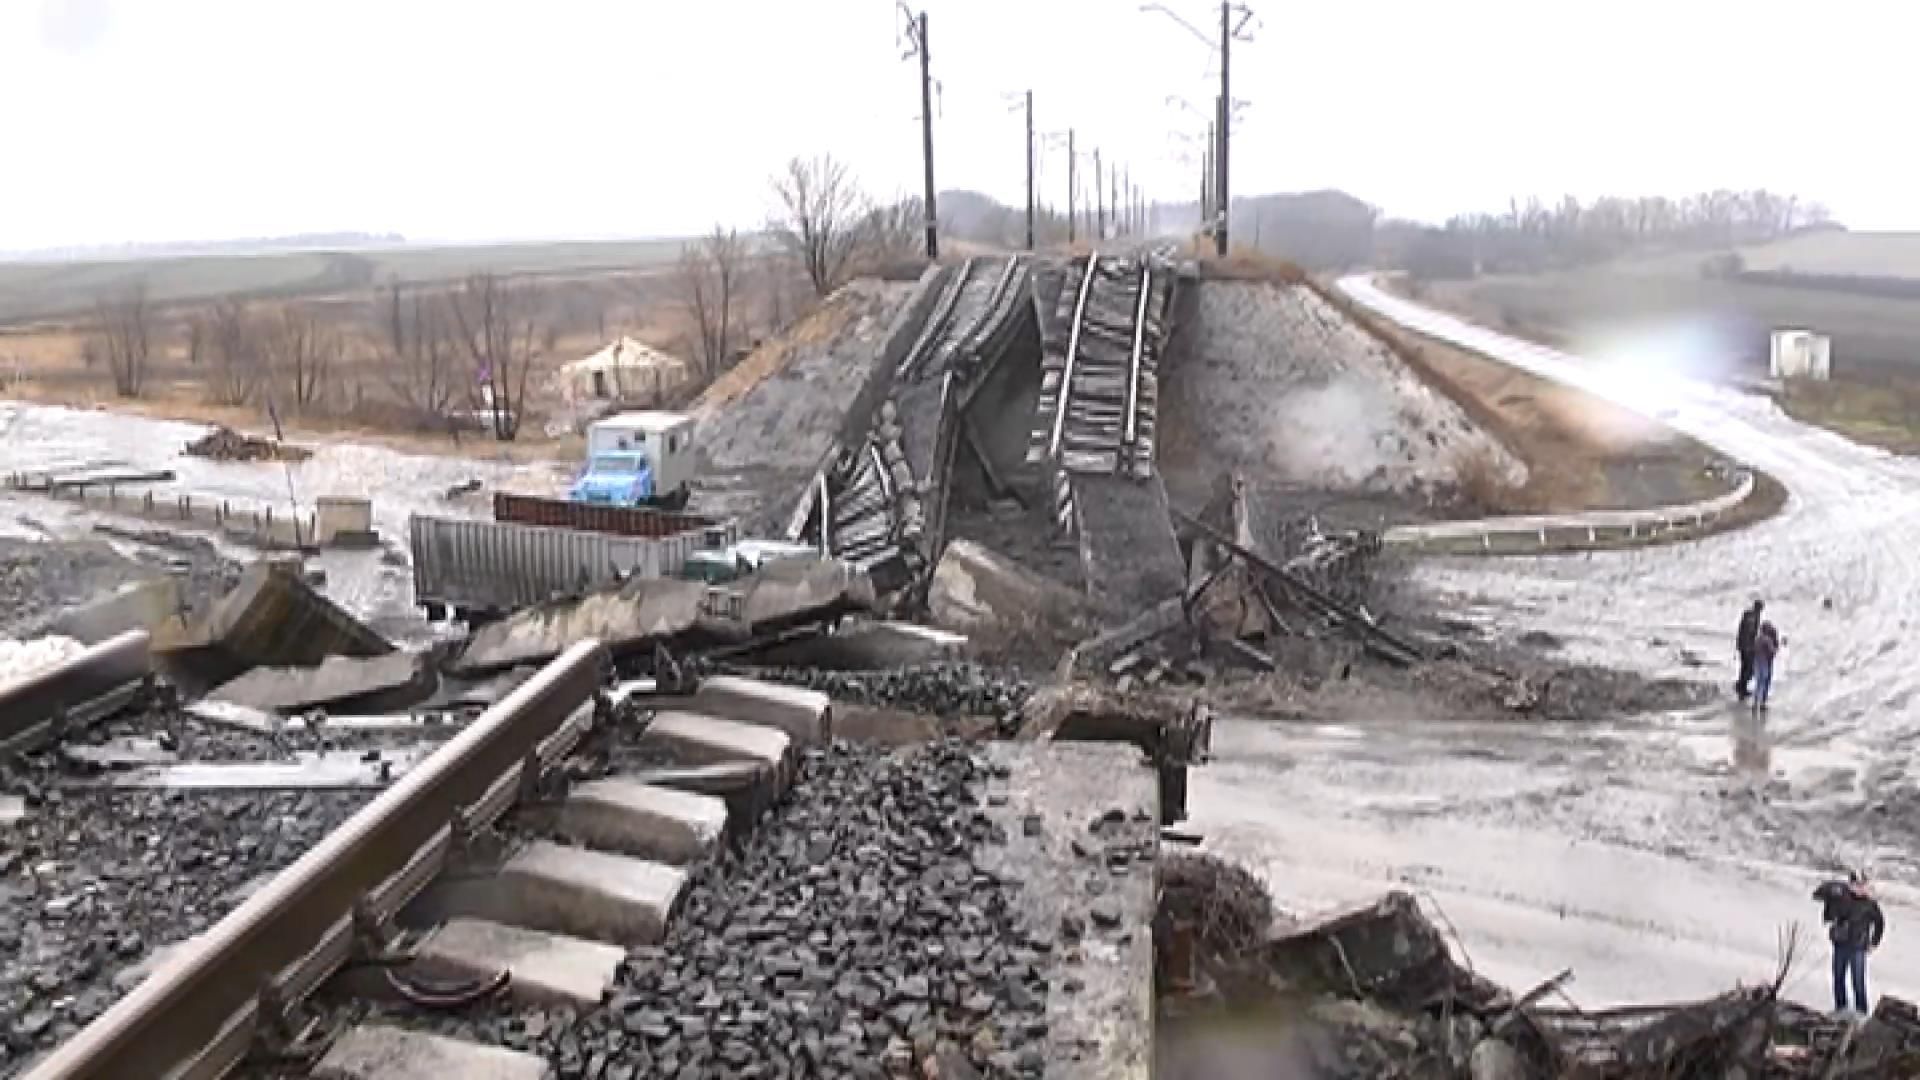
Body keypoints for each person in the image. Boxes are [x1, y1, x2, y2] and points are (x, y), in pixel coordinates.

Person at [1815, 871, 1886, 1015]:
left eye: (1862, 885)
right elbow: (1828, 914)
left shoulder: (1870, 904)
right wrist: (1830, 913)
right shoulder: (1841, 898)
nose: (1859, 888)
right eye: (1856, 884)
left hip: (1858, 947)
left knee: (1858, 982)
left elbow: (1880, 923)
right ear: (1850, 884)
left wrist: (1874, 942)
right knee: (1838, 978)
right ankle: (1841, 1008)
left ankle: (1862, 1012)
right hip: (1840, 945)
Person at [1735, 599, 1764, 701]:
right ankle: (1741, 687)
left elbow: (1742, 631)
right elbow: (1749, 632)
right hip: (1747, 647)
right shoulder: (1752, 617)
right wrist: (1751, 647)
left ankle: (1741, 687)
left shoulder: (1748, 615)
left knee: (1745, 668)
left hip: (1743, 645)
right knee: (1749, 668)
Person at [1753, 619, 1782, 713]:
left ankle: (1755, 702)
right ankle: (1762, 703)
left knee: (1758, 682)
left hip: (1757, 661)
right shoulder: (1768, 640)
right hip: (1765, 662)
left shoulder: (1757, 638)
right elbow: (1772, 651)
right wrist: (1777, 648)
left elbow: (1754, 649)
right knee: (1764, 681)